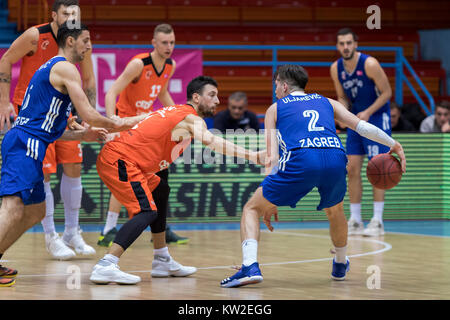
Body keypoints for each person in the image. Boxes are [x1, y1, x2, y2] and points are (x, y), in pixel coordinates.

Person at [220, 65, 406, 288]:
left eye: (276, 84)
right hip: (336, 157)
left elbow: (271, 157)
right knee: (336, 210)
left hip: (302, 159)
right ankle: (339, 263)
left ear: (284, 85)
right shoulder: (328, 102)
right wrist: (392, 143)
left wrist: (270, 199)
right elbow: (362, 127)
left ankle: (249, 266)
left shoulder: (275, 109)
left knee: (252, 208)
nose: (275, 89)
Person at [0, 22, 141, 287]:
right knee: (13, 206)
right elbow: (88, 114)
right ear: (69, 42)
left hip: (30, 141)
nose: (89, 45)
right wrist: (121, 123)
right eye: (85, 40)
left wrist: (83, 135)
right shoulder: (65, 68)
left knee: (36, 211)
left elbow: (54, 131)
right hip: (24, 143)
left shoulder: (58, 72)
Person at [89, 76, 264, 285]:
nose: (217, 100)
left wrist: (99, 129)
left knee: (160, 190)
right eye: (212, 95)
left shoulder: (171, 111)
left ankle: (162, 258)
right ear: (197, 97)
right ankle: (106, 264)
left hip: (123, 160)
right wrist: (252, 156)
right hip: (122, 161)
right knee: (147, 211)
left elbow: (126, 122)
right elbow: (211, 141)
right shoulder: (191, 118)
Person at [0, 0, 98, 260]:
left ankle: (72, 231)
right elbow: (6, 59)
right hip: (32, 116)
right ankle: (51, 237)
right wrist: (3, 100)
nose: (70, 18)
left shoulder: (78, 42)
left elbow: (88, 80)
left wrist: (88, 115)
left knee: (74, 166)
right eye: (66, 13)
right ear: (54, 15)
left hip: (62, 114)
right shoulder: (35, 35)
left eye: (75, 14)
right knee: (41, 177)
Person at [97, 23, 188, 247]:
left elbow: (163, 92)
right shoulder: (139, 64)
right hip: (125, 122)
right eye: (164, 43)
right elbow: (112, 92)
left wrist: (177, 115)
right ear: (154, 43)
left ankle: (162, 229)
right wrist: (111, 124)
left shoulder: (170, 65)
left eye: (172, 42)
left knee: (160, 171)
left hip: (144, 124)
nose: (169, 47)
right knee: (124, 173)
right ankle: (108, 229)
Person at [330, 28, 393, 237]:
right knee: (353, 169)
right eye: (342, 43)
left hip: (375, 118)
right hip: (356, 121)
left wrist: (367, 112)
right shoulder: (335, 68)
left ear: (356, 44)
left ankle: (377, 220)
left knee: (379, 167)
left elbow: (387, 93)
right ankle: (355, 220)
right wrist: (342, 113)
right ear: (337, 46)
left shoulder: (370, 64)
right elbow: (341, 97)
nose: (345, 47)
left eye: (349, 43)